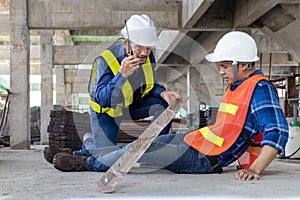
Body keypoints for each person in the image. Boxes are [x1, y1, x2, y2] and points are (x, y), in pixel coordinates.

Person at [52, 31, 289, 181]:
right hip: (197, 142)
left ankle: (86, 161)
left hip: (206, 159)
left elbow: (278, 132)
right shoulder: (239, 84)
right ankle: (88, 149)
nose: (221, 72)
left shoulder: (259, 88)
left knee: (141, 152)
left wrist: (255, 169)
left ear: (244, 65)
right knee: (141, 144)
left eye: (225, 66)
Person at [43, 14, 180, 164]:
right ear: (126, 44)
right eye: (139, 47)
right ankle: (78, 152)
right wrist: (121, 75)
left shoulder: (148, 57)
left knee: (163, 104)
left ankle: (154, 151)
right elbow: (102, 100)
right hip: (107, 112)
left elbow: (150, 85)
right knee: (107, 158)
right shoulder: (106, 60)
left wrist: (163, 92)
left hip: (130, 105)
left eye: (148, 47)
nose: (144, 53)